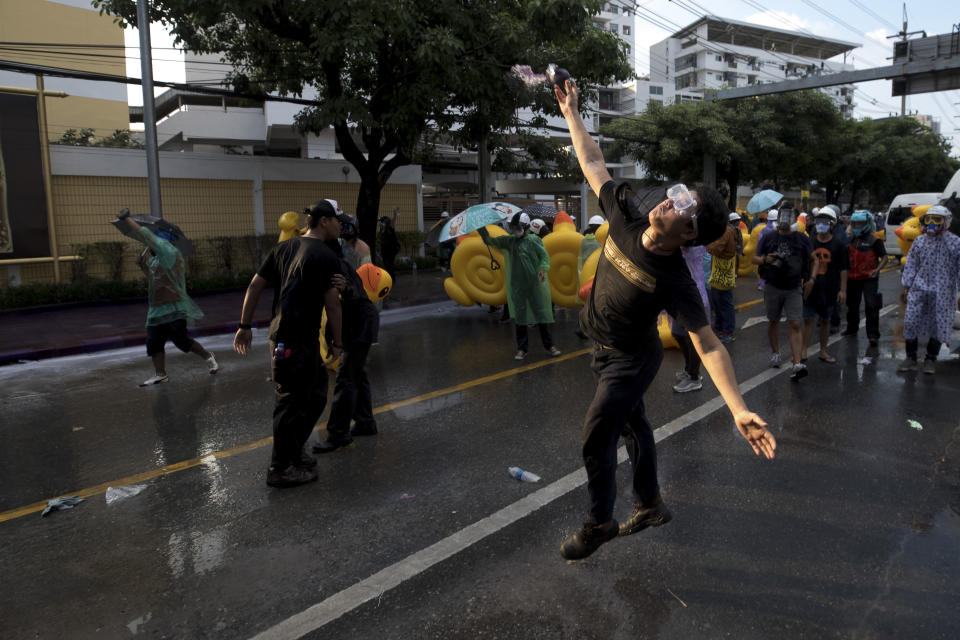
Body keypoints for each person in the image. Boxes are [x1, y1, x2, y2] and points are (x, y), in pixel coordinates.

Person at [554, 77, 775, 561]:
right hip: (602, 346)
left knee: (598, 434)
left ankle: (599, 522)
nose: (670, 201)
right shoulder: (626, 215)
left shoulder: (677, 279)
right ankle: (651, 503)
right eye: (677, 193)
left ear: (690, 233)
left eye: (684, 206)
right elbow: (593, 162)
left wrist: (738, 408)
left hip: (631, 360)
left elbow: (709, 343)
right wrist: (572, 114)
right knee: (633, 425)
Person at [233, 200, 343, 488]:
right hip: (290, 338)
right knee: (290, 403)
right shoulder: (324, 254)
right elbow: (333, 306)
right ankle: (280, 468)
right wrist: (338, 342)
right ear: (323, 221)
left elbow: (255, 285)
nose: (340, 225)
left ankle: (293, 452)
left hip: (297, 338)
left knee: (317, 394)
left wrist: (246, 325)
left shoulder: (284, 249)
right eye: (337, 220)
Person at [113, 210, 218, 387]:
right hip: (156, 308)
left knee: (181, 340)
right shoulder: (155, 259)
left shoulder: (170, 252)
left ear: (162, 241)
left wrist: (127, 219)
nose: (150, 243)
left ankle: (208, 356)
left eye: (154, 241)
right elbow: (155, 280)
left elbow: (146, 235)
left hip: (174, 307)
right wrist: (144, 267)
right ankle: (160, 373)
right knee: (154, 342)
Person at [313, 233, 380, 453]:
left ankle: (338, 434)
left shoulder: (333, 267)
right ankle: (366, 422)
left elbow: (339, 304)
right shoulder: (335, 263)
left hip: (359, 325)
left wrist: (336, 343)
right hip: (360, 322)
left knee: (346, 378)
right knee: (357, 375)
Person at [477, 213, 561, 359]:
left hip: (534, 285)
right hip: (518, 286)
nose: (514, 230)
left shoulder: (534, 241)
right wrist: (481, 230)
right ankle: (522, 348)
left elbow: (544, 257)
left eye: (517, 227)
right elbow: (491, 241)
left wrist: (542, 269)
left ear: (525, 227)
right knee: (520, 317)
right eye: (513, 227)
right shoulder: (510, 242)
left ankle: (550, 346)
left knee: (541, 315)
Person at [897, 205, 960, 374]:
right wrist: (906, 286)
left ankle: (930, 359)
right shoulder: (919, 241)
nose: (931, 223)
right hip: (919, 288)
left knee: (938, 324)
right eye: (928, 219)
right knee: (910, 321)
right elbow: (911, 264)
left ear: (946, 221)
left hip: (943, 291)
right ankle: (910, 358)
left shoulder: (955, 242)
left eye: (936, 220)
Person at [753, 205, 813, 379]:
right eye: (783, 215)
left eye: (789, 215)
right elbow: (754, 258)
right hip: (773, 286)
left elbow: (814, 259)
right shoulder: (769, 237)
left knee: (795, 323)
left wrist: (811, 279)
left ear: (795, 219)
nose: (785, 219)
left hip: (794, 287)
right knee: (773, 321)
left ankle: (797, 363)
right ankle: (775, 353)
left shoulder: (802, 238)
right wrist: (767, 259)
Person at [802, 207, 848, 364]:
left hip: (829, 289)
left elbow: (843, 269)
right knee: (808, 319)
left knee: (825, 320)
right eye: (818, 221)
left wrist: (842, 290)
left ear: (833, 225)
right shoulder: (810, 242)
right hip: (811, 288)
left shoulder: (839, 245)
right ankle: (803, 351)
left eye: (825, 222)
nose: (821, 225)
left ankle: (823, 351)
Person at [844, 210, 887, 346]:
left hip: (869, 278)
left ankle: (873, 335)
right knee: (852, 306)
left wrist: (877, 269)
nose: (857, 225)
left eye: (860, 223)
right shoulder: (850, 239)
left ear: (867, 223)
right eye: (855, 223)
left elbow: (884, 258)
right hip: (852, 278)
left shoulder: (875, 240)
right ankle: (851, 329)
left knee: (871, 306)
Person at [670, 245, 710, 393]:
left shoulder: (693, 244)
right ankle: (689, 369)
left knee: (691, 338)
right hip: (679, 293)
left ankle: (694, 377)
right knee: (678, 334)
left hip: (692, 293)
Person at [707, 216, 740, 343]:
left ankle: (727, 331)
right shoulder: (726, 230)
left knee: (724, 303)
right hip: (720, 271)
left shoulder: (725, 231)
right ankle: (721, 329)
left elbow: (715, 248)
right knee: (718, 301)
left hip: (722, 271)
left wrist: (708, 245)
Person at [378, 211, 401, 278]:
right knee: (386, 265)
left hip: (391, 251)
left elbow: (392, 222)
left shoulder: (390, 229)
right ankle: (390, 278)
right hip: (384, 251)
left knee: (389, 265)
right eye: (380, 222)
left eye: (381, 222)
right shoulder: (381, 231)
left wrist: (395, 215)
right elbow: (382, 241)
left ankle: (391, 278)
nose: (380, 224)